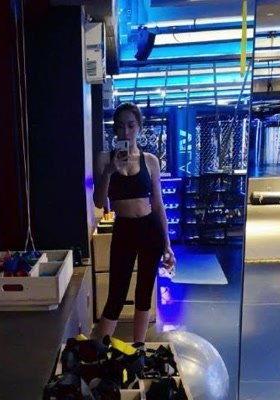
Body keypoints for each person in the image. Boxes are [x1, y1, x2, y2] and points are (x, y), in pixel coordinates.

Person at [92, 102, 176, 344]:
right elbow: (99, 202)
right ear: (115, 130)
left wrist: (167, 244)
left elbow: (158, 204)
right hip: (124, 230)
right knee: (116, 295)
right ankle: (99, 351)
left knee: (144, 293)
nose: (125, 132)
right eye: (120, 127)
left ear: (139, 127)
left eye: (130, 126)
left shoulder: (150, 161)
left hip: (150, 229)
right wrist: (109, 172)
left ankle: (138, 348)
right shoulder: (104, 159)